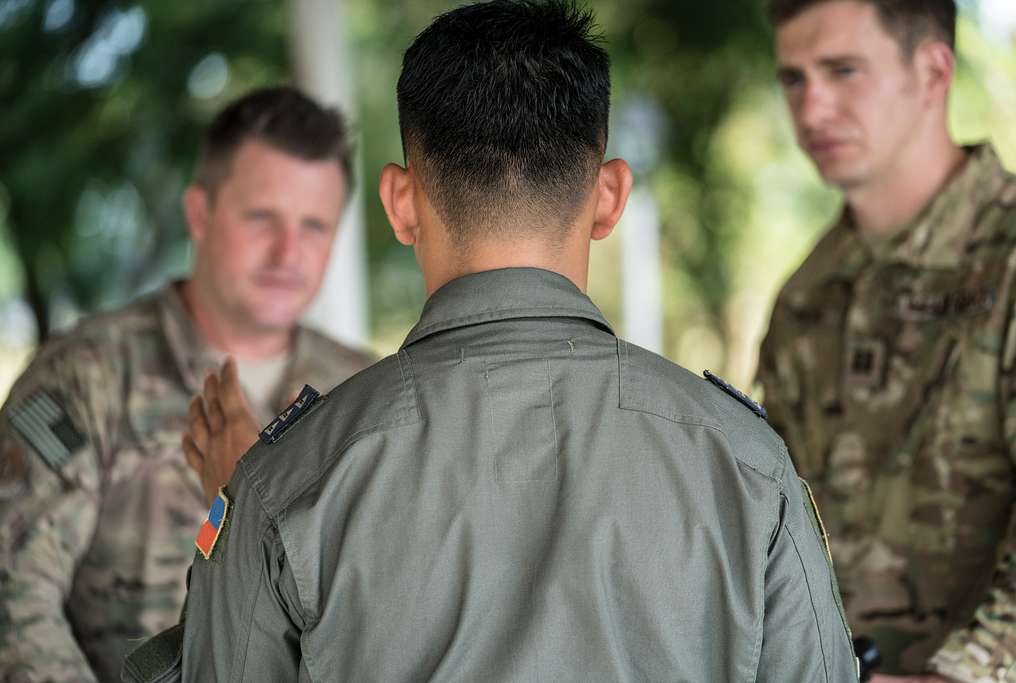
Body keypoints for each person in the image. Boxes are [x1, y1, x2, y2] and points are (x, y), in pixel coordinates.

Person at [122, 2, 858, 681]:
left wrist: (243, 501)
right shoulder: (747, 464)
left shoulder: (289, 481)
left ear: (401, 203)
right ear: (608, 197)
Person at [0, 86, 374, 682]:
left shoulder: (364, 391)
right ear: (200, 214)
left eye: (314, 226)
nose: (289, 251)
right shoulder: (86, 377)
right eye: (262, 218)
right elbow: (14, 600)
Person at [756, 0, 1016, 679]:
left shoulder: (1013, 258)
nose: (812, 109)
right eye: (793, 79)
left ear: (932, 73)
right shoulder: (807, 293)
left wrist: (960, 674)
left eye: (843, 70)